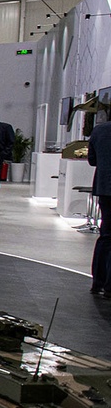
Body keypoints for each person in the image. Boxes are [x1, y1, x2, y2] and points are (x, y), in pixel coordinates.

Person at [88, 119, 111, 296]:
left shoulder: (99, 130)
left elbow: (92, 160)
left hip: (104, 188)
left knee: (106, 235)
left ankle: (98, 282)